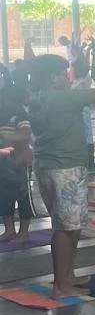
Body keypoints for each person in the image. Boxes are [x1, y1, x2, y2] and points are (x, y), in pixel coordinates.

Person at [28, 50, 95, 298]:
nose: (66, 78)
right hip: (66, 169)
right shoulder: (62, 99)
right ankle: (61, 284)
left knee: (71, 225)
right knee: (65, 228)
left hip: (48, 166)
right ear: (50, 77)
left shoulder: (37, 98)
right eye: (61, 74)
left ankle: (68, 275)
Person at [0, 68, 34, 243]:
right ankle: (9, 230)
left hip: (18, 163)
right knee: (4, 196)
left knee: (22, 197)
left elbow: (25, 134)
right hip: (4, 164)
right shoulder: (2, 112)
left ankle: (24, 232)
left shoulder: (20, 113)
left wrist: (7, 137)